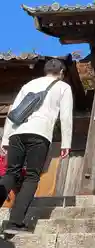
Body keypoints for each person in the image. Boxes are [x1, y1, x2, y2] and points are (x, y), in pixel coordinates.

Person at [0, 58, 73, 235]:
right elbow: (65, 117)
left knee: (11, 173)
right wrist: (66, 144)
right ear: (62, 72)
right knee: (32, 177)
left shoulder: (29, 84)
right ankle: (15, 222)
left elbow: (13, 112)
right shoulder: (63, 87)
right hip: (40, 134)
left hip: (17, 132)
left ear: (45, 71)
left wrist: (5, 139)